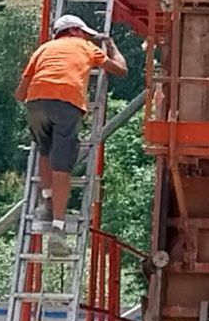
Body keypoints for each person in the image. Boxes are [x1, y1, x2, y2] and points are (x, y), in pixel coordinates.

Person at [15, 14, 127, 232]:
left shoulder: (43, 49)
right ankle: (58, 226)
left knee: (44, 151)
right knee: (61, 168)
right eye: (84, 32)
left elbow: (20, 93)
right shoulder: (86, 47)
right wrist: (111, 45)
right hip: (67, 102)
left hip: (35, 102)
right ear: (74, 31)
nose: (86, 36)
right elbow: (120, 70)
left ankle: (47, 202)